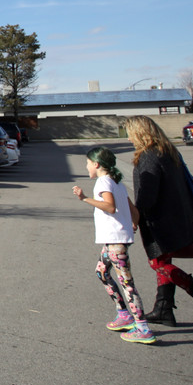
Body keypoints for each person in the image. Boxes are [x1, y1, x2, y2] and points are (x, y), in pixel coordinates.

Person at [125, 115, 193, 331]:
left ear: (138, 133)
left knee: (159, 264)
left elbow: (147, 197)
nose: (129, 139)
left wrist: (134, 216)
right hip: (177, 216)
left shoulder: (148, 156)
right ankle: (163, 309)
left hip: (159, 220)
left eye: (129, 134)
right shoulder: (168, 151)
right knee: (163, 261)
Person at [73, 146, 156, 344]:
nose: (86, 167)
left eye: (87, 163)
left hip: (116, 243)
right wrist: (133, 223)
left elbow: (110, 207)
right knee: (101, 272)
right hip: (114, 241)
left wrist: (85, 198)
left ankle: (142, 327)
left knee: (127, 283)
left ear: (97, 164)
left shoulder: (103, 182)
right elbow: (133, 210)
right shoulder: (116, 182)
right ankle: (124, 314)